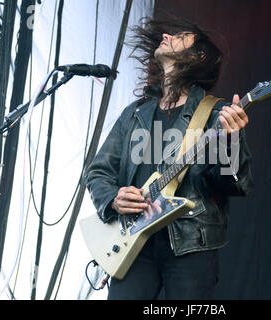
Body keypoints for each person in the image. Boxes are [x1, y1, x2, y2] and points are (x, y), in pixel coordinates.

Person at [85, 17, 254, 300]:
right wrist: (114, 199)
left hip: (191, 245)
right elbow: (98, 173)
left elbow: (232, 184)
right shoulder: (135, 113)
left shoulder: (216, 114)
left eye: (181, 37)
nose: (166, 35)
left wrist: (231, 141)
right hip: (133, 245)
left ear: (198, 56)